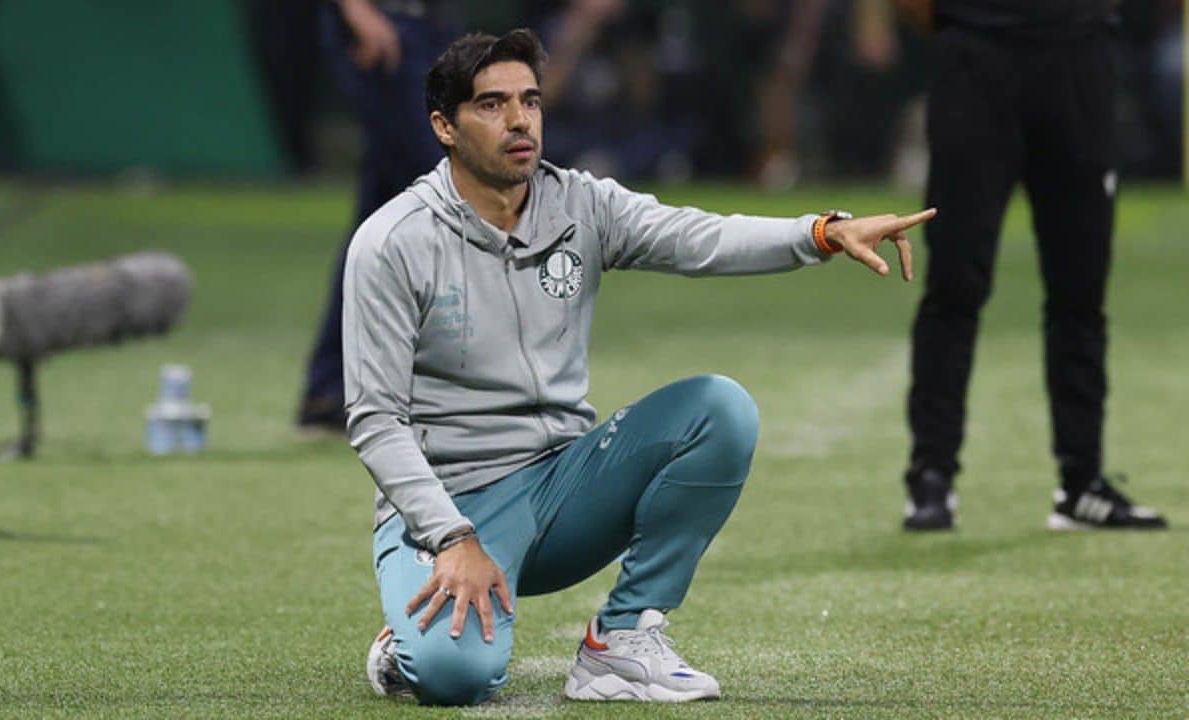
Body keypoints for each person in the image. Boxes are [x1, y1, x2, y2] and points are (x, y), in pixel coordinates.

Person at [346, 29, 934, 705]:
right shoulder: (393, 242)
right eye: (491, 105)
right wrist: (449, 535)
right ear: (443, 126)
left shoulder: (580, 206)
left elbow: (700, 237)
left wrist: (821, 232)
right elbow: (374, 419)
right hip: (449, 505)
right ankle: (403, 649)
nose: (519, 120)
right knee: (455, 679)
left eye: (531, 101)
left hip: (565, 487)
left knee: (720, 410)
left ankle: (619, 641)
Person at [896, 0, 1168, 531]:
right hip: (977, 60)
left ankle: (1081, 482)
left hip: (1078, 60)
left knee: (1080, 287)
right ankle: (931, 475)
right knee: (955, 280)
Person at [296, 0, 456, 432]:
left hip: (429, 29)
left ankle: (330, 389)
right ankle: (459, 390)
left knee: (385, 211)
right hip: (384, 25)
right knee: (442, 197)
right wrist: (357, 10)